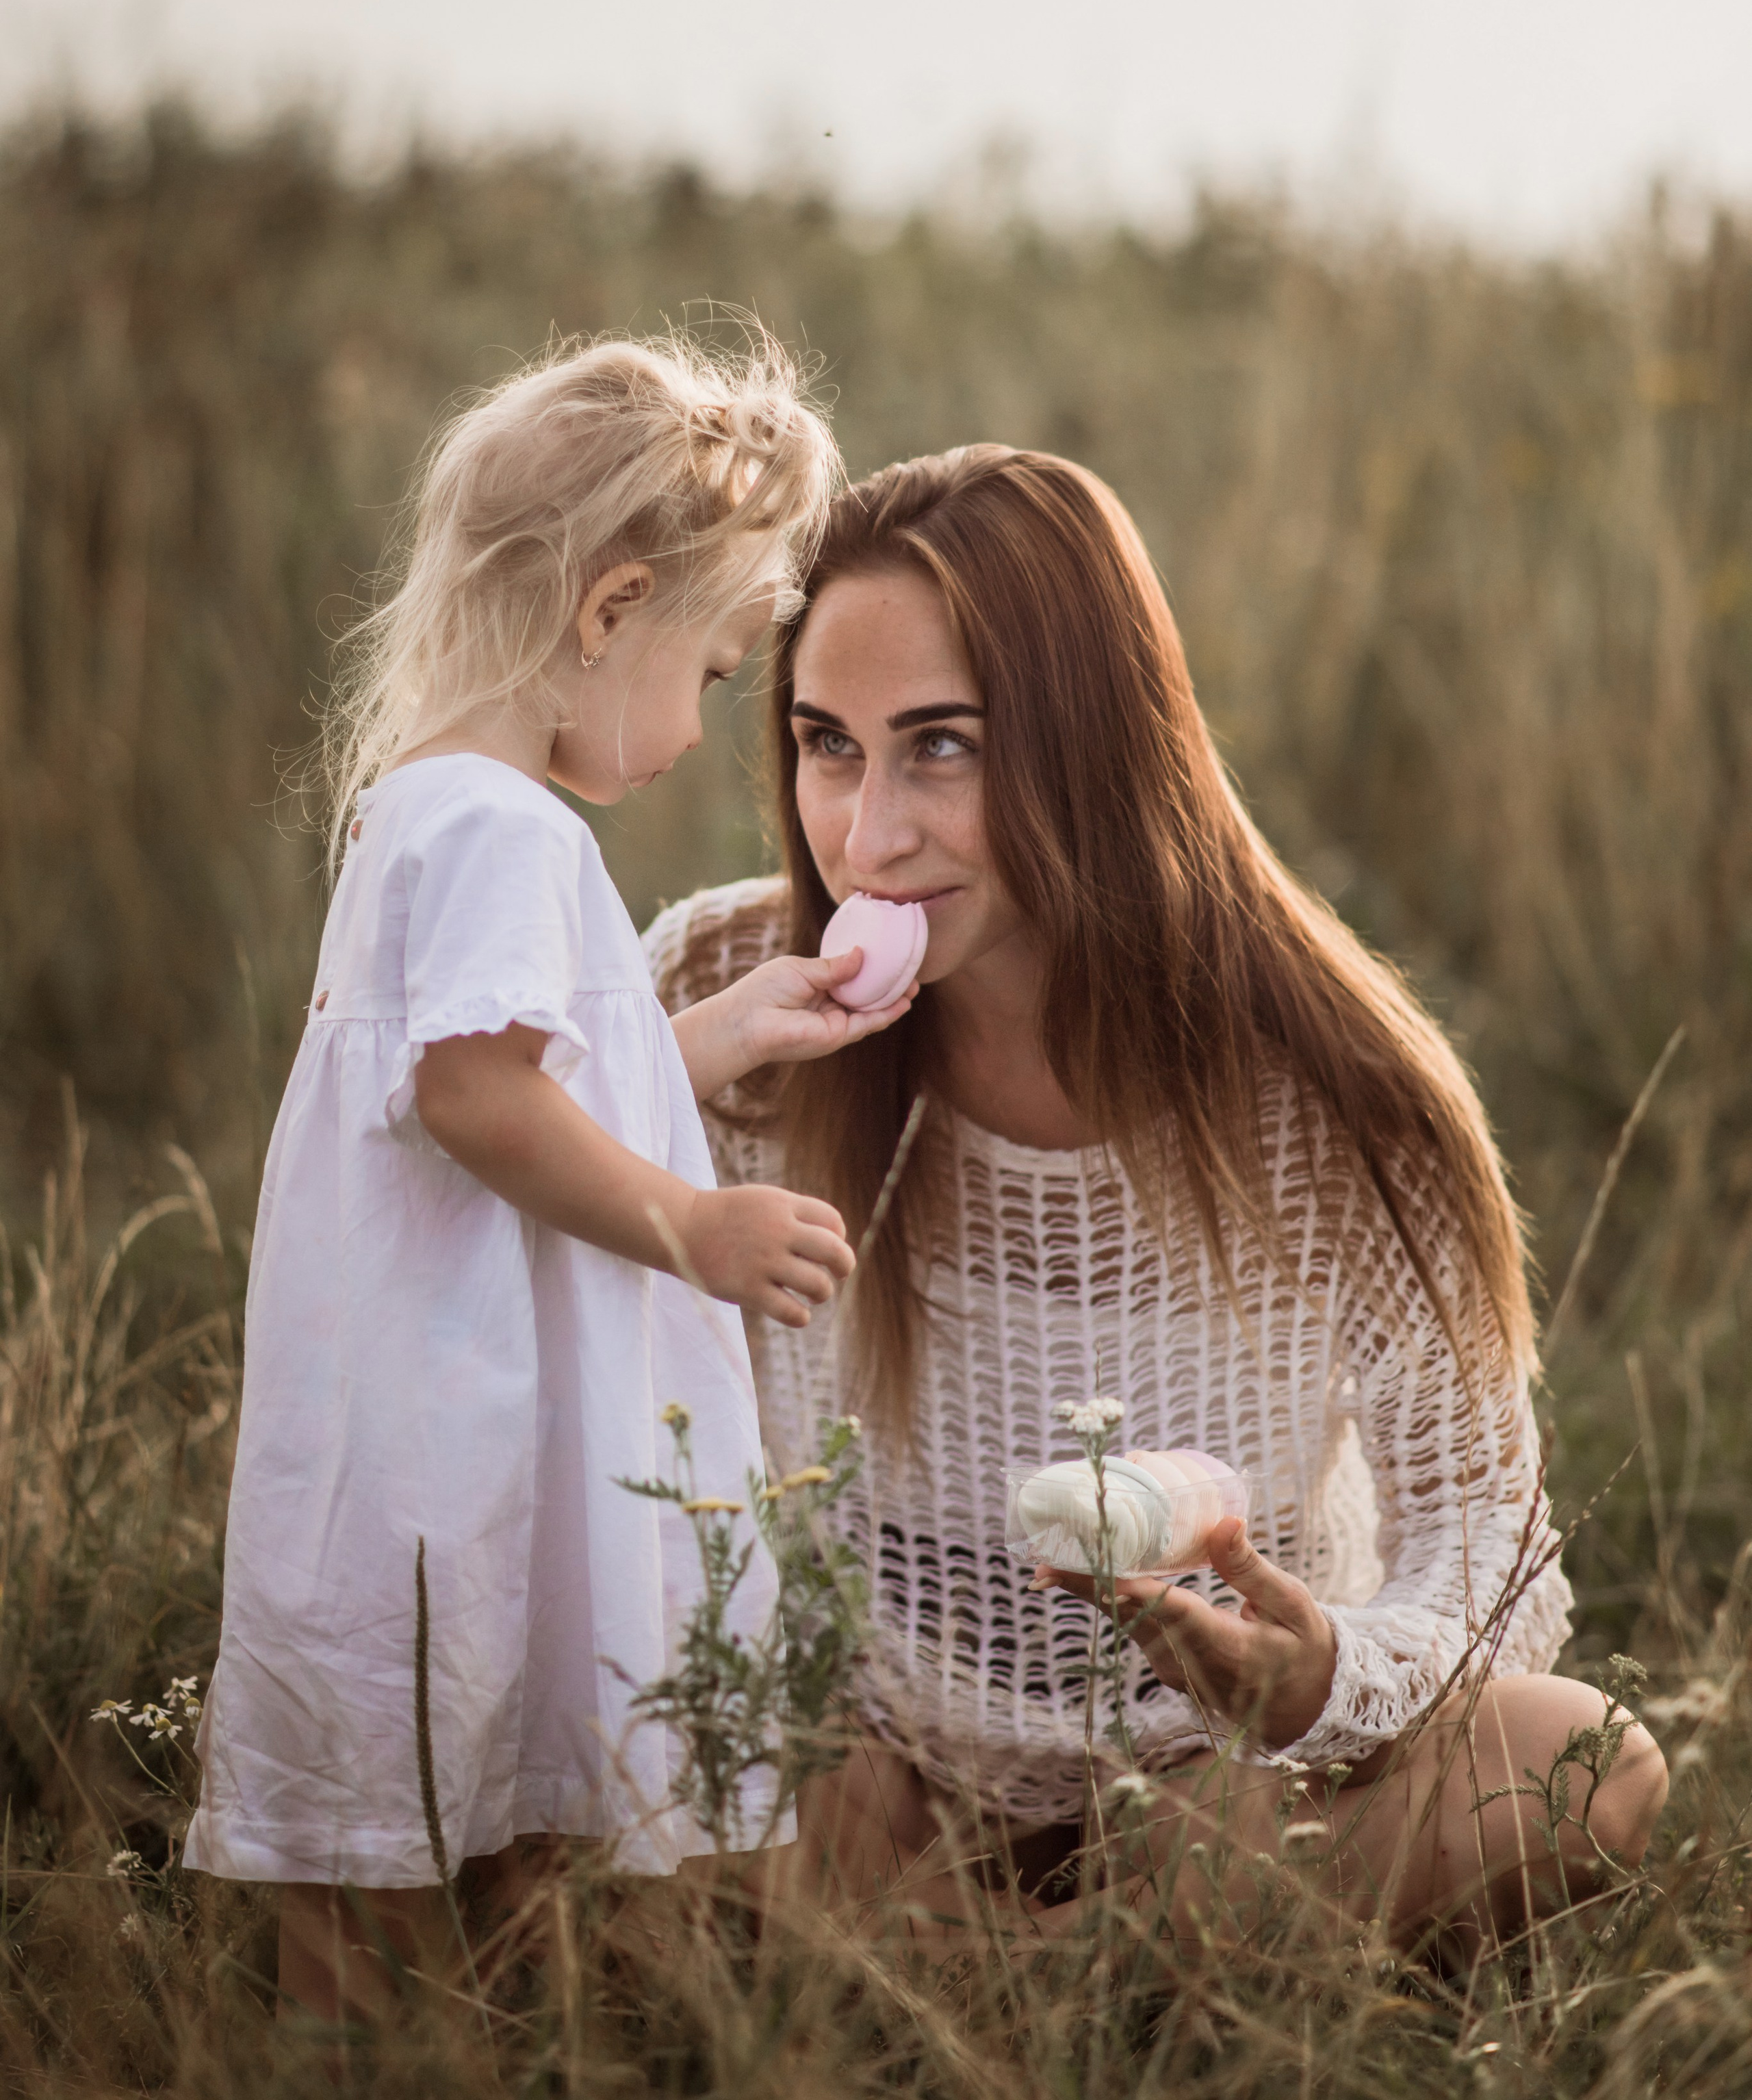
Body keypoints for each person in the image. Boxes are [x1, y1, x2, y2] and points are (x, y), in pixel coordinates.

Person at [646, 444, 1669, 1951]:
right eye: (826, 742)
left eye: (942, 746)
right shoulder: (715, 992)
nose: (866, 835)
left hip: (1221, 1785)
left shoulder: (1340, 1098)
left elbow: (1483, 1538)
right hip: (858, 1757)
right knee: (637, 1720)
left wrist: (1324, 1678)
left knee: (1586, 1762)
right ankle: (1072, 1975)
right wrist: (653, 1069)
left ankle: (988, 1968)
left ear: (1094, 743)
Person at [183, 337, 913, 2021]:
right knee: (402, 1865)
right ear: (610, 610)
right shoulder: (509, 829)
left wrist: (719, 1030)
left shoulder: (423, 807)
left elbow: (528, 1067)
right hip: (460, 1424)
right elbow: (472, 1097)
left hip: (410, 1406)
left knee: (412, 1835)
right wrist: (693, 1222)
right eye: (721, 670)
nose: (704, 724)